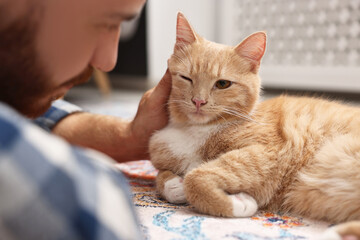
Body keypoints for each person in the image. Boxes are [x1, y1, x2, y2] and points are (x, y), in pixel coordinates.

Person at [0, 0, 171, 239]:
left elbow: (26, 112)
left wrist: (130, 136)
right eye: (108, 22)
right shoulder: (86, 205)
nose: (107, 62)